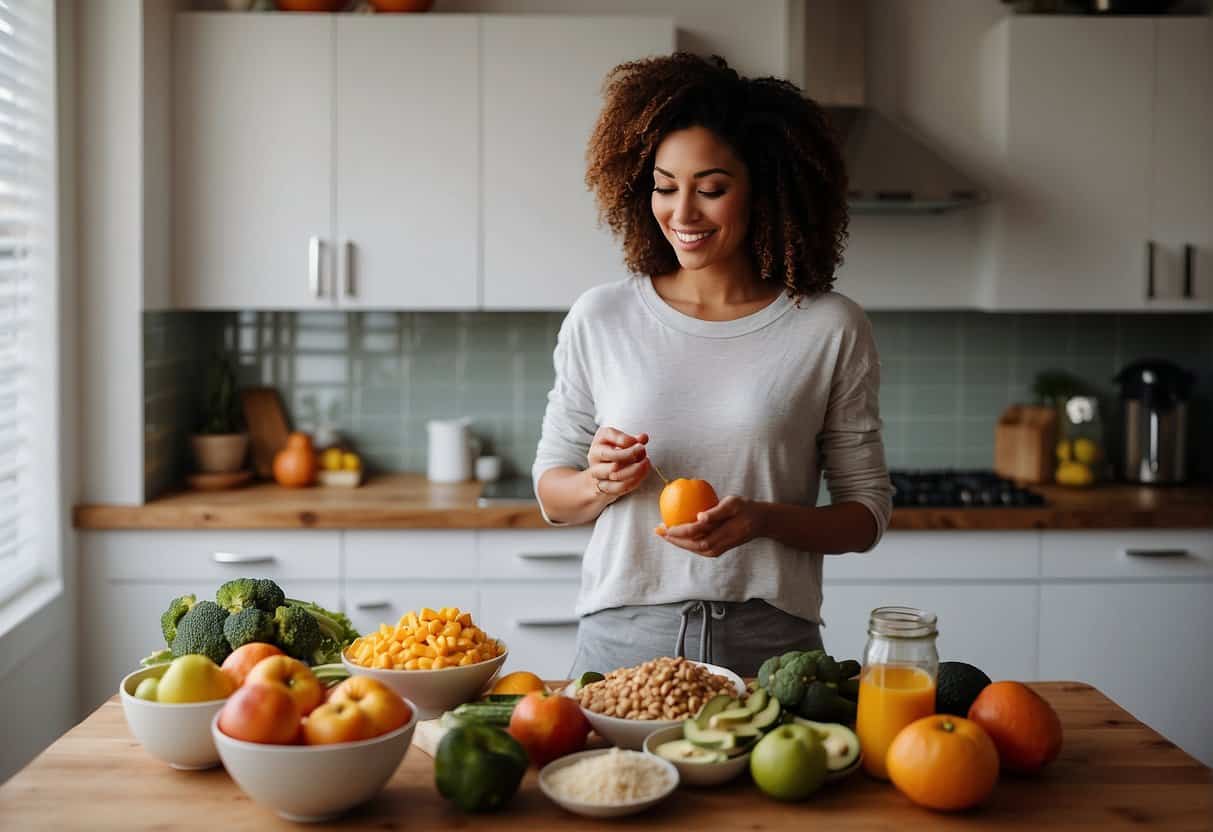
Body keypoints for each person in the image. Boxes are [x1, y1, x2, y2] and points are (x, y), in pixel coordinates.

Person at [532, 53, 892, 678]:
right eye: (666, 187)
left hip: (773, 646)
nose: (683, 214)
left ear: (765, 187)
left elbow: (865, 515)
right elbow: (552, 495)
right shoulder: (602, 317)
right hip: (622, 643)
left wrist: (762, 520)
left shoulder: (830, 326)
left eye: (712, 188)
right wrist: (599, 482)